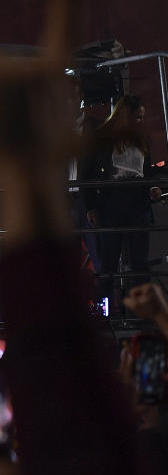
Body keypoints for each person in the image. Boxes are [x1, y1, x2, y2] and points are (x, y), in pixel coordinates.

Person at [85, 95, 163, 312]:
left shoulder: (141, 138)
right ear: (125, 117)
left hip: (137, 199)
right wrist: (91, 205)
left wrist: (152, 187)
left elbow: (145, 171)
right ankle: (105, 312)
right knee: (109, 260)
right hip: (112, 200)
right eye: (137, 117)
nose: (140, 122)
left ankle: (139, 312)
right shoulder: (103, 137)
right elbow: (88, 173)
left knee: (139, 262)